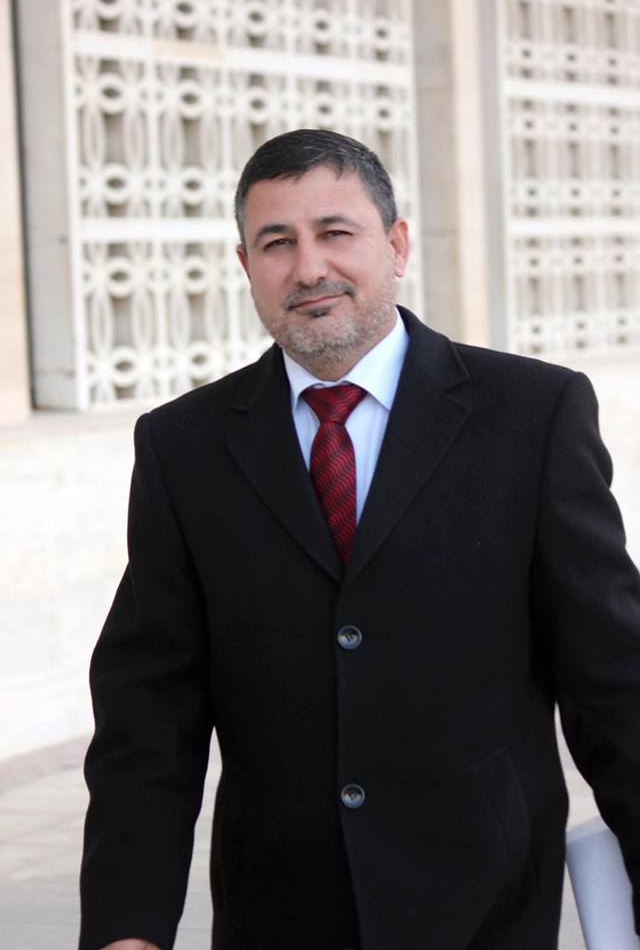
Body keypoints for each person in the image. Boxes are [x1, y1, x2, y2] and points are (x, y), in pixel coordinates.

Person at [79, 129, 640, 950]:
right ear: (245, 266)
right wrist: (127, 929)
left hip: (485, 915)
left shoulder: (532, 415)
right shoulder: (183, 447)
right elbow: (147, 717)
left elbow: (615, 681)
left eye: (335, 232)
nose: (309, 268)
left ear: (397, 244)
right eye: (278, 243)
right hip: (277, 922)